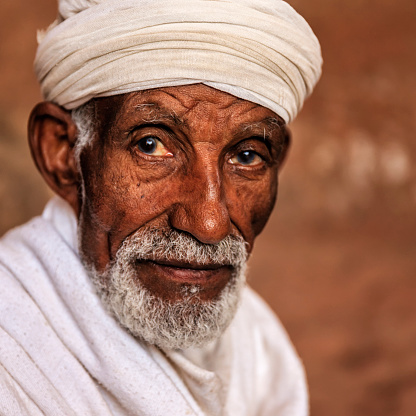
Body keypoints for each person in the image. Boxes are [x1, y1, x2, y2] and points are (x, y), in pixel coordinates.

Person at [0, 0, 322, 414]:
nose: (209, 222)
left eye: (246, 155)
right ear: (64, 154)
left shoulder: (258, 348)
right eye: (151, 145)